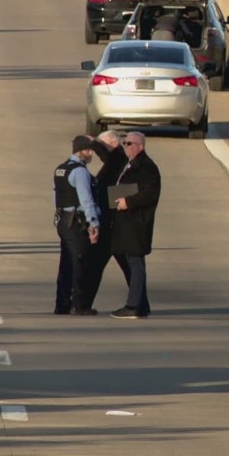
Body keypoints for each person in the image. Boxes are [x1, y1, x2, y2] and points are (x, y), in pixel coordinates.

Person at [109, 131, 161, 319]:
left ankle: (133, 306)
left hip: (137, 222)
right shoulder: (129, 164)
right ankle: (141, 304)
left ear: (140, 146)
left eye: (129, 143)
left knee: (135, 262)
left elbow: (150, 193)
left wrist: (128, 202)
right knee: (129, 260)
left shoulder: (147, 167)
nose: (126, 146)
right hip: (125, 223)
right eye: (124, 143)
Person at [54, 135, 101, 316]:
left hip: (63, 220)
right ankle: (80, 305)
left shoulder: (61, 169)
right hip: (76, 221)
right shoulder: (80, 172)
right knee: (80, 262)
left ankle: (62, 304)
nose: (91, 154)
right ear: (80, 151)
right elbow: (86, 199)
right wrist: (93, 223)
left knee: (66, 263)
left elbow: (56, 195)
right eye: (89, 150)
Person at [87, 130, 130, 308]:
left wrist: (94, 143)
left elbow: (106, 156)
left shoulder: (120, 158)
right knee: (99, 266)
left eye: (103, 145)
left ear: (114, 144)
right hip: (111, 222)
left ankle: (84, 304)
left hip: (112, 224)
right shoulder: (116, 163)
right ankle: (85, 303)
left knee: (97, 265)